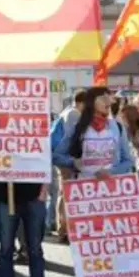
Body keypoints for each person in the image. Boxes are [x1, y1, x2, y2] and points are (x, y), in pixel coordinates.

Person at [53, 86, 134, 277]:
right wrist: (74, 163)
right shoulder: (78, 129)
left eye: (109, 97)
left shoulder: (117, 127)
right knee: (91, 243)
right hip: (86, 195)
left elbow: (129, 160)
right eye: (103, 97)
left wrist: (113, 172)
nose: (109, 100)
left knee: (114, 242)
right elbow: (57, 154)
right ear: (91, 102)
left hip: (113, 194)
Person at [50, 91, 85, 242]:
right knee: (67, 194)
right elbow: (75, 138)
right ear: (80, 102)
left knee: (64, 193)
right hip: (66, 159)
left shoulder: (66, 112)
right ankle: (64, 230)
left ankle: (63, 228)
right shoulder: (73, 114)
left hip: (60, 157)